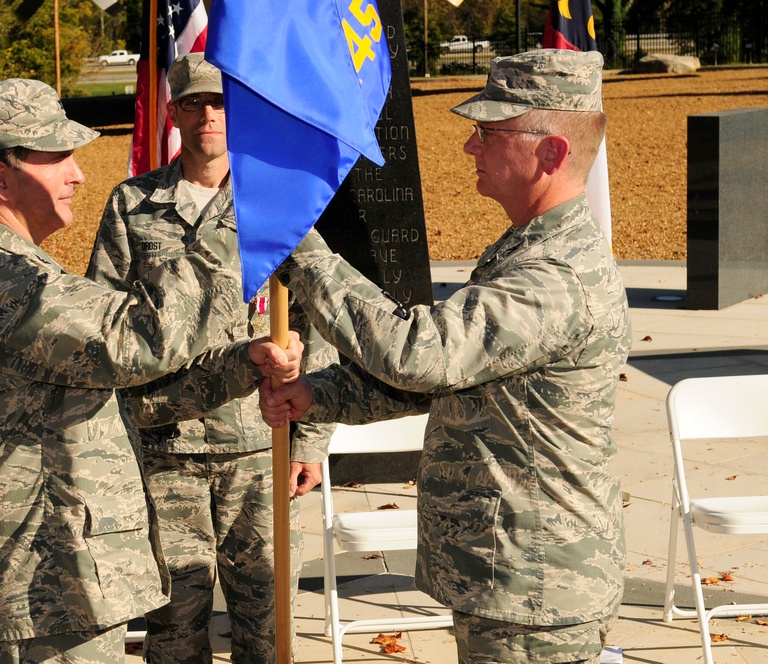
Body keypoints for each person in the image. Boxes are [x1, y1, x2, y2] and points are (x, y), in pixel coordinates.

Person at [260, 50, 632, 664]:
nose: (469, 146)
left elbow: (420, 355)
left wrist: (302, 252)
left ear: (551, 153)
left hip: (535, 583)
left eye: (489, 131)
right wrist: (321, 394)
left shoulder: (554, 275)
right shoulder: (529, 249)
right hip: (510, 571)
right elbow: (459, 381)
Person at [0, 78, 303, 664]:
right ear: (0, 178)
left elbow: (127, 393)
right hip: (37, 583)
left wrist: (240, 366)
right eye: (58, 159)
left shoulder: (22, 269)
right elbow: (136, 343)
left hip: (61, 578)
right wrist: (242, 222)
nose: (78, 175)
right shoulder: (2, 280)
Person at [86, 53, 337, 663]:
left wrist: (312, 440)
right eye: (194, 102)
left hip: (261, 447)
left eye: (221, 102)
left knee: (270, 624)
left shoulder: (276, 206)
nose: (208, 115)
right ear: (173, 112)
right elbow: (104, 321)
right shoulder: (132, 205)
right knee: (173, 628)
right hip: (166, 447)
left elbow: (322, 325)